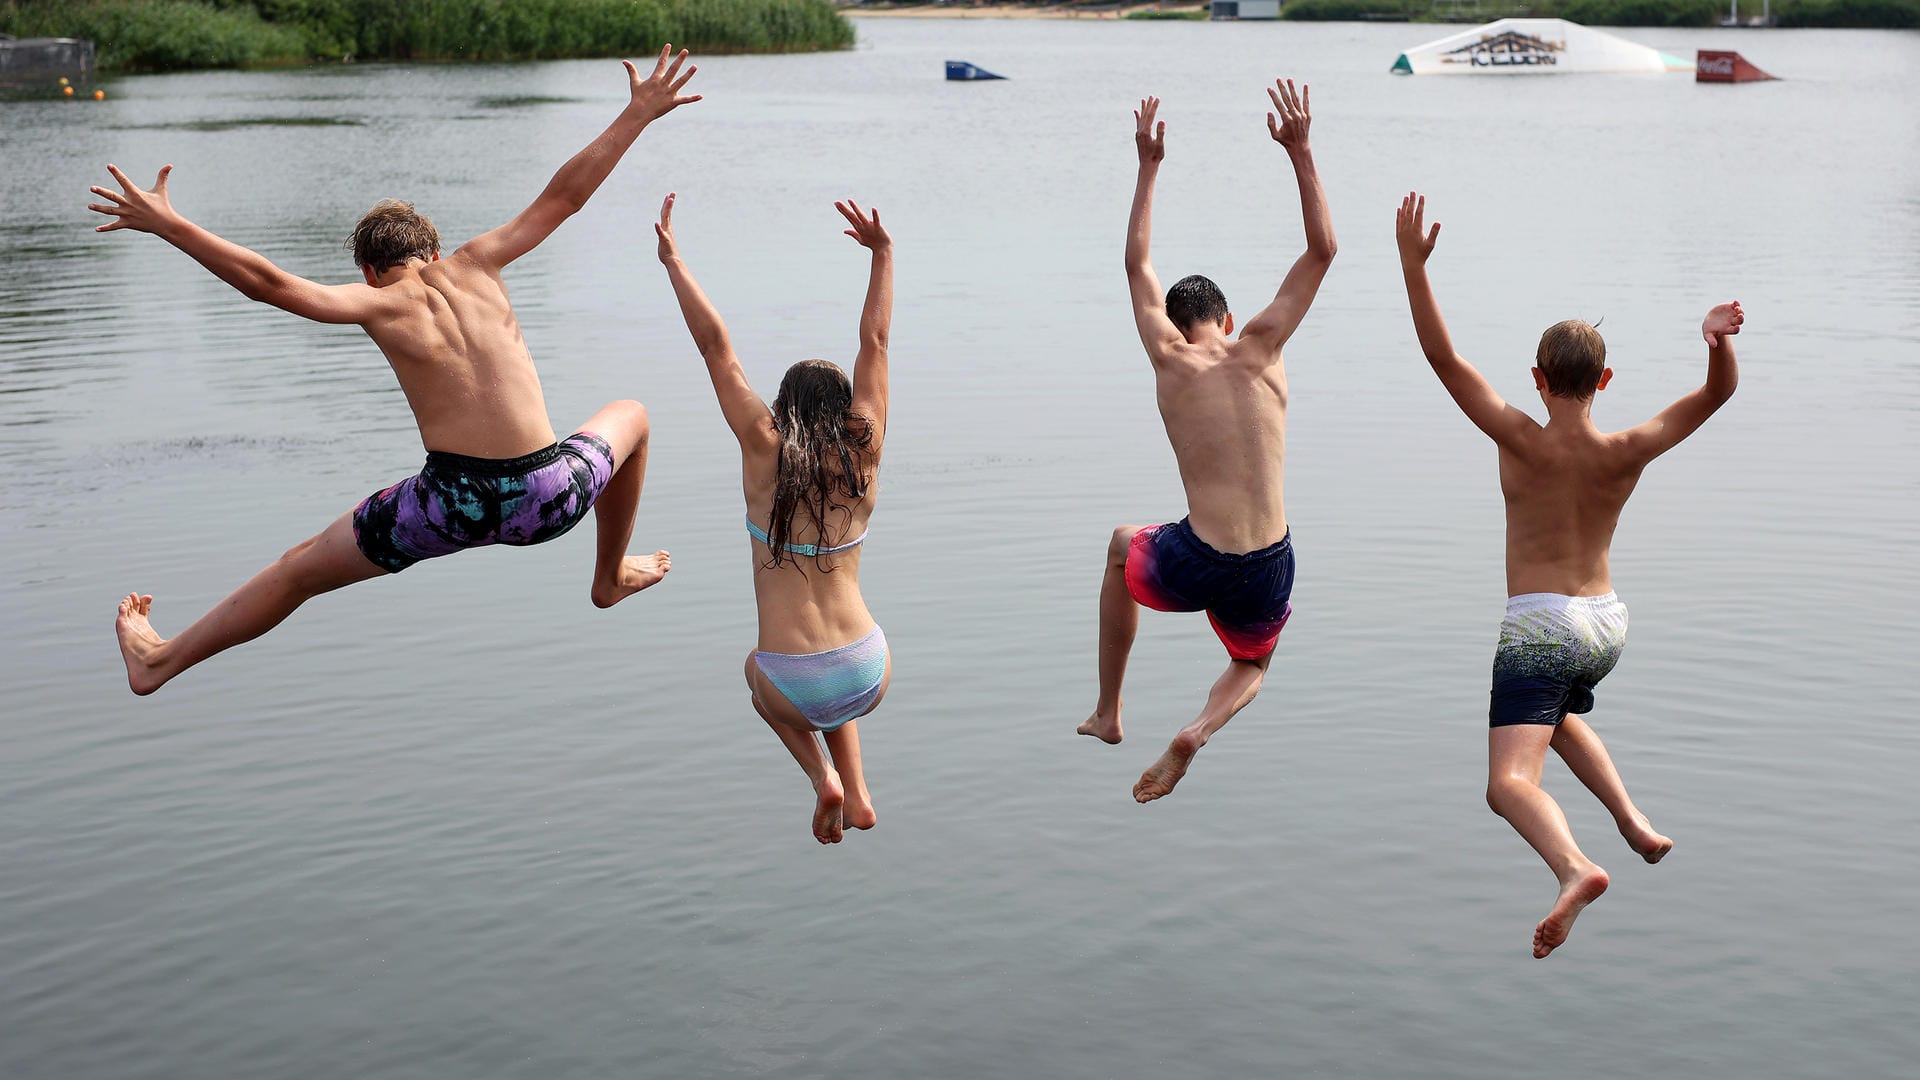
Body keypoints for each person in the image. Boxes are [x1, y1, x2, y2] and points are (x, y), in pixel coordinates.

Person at [92, 48, 701, 695]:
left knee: (297, 570)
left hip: (448, 506)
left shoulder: (375, 303)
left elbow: (267, 284)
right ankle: (608, 576)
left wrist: (170, 224)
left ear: (368, 270)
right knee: (631, 415)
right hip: (548, 495)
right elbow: (567, 196)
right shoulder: (481, 260)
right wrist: (636, 114)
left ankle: (158, 663)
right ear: (434, 250)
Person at [1394, 191, 1742, 958]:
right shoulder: (1629, 447)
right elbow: (1718, 394)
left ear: (1539, 378)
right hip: (1606, 623)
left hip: (1542, 624)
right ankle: (1632, 823)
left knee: (1506, 784)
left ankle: (1575, 868)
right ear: (1606, 380)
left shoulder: (1519, 436)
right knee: (1555, 715)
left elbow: (1442, 358)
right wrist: (1714, 341)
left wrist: (1414, 268)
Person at [1077, 80, 1336, 804]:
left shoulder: (1166, 355)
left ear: (1178, 321)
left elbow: (1136, 265)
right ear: (1226, 319)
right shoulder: (1262, 344)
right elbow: (1323, 250)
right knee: (1252, 666)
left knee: (1124, 541)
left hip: (1197, 557)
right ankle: (1198, 728)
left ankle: (1108, 710)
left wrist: (1148, 165)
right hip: (1267, 560)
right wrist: (1301, 151)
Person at [653, 192, 893, 845]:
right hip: (870, 666)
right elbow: (875, 340)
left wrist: (674, 262)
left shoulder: (765, 448)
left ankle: (824, 782)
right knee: (833, 692)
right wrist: (883, 254)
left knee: (755, 672)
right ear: (845, 409)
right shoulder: (864, 453)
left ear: (784, 410)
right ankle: (861, 796)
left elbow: (716, 349)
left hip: (793, 681)